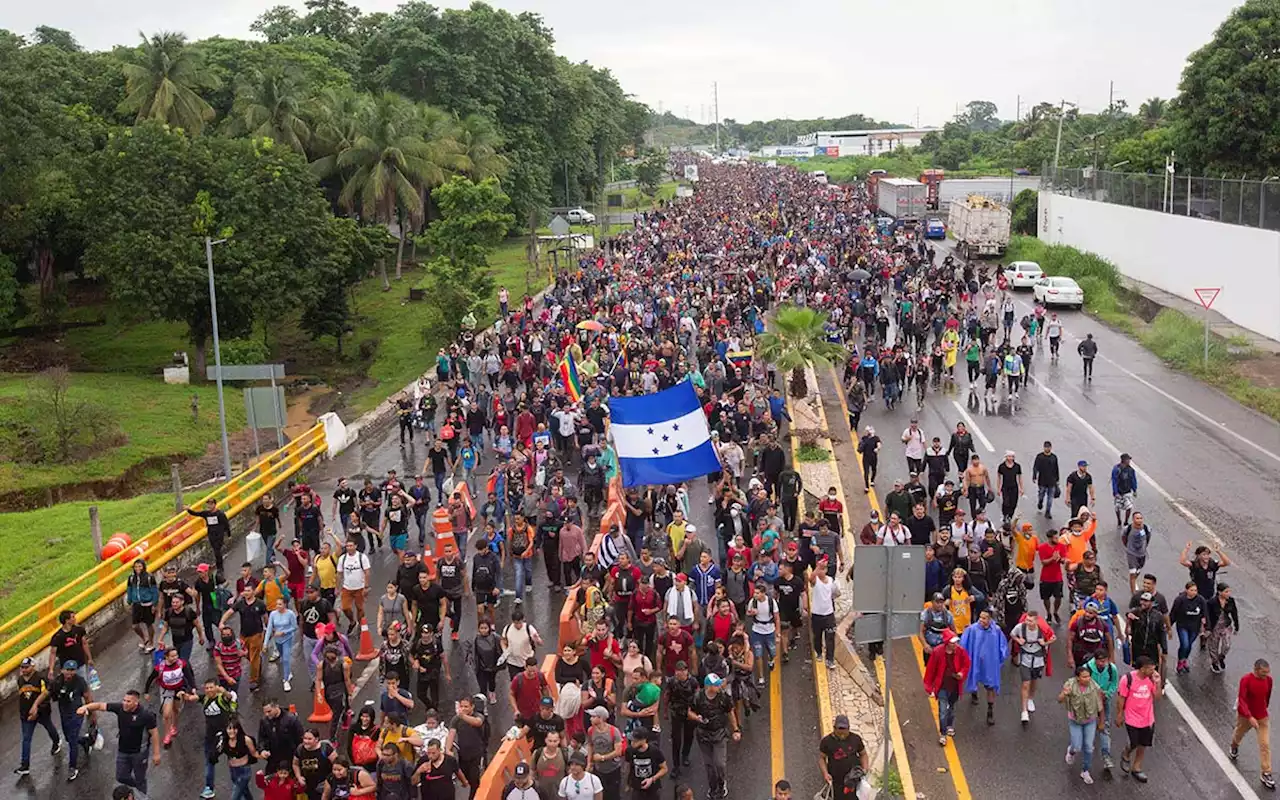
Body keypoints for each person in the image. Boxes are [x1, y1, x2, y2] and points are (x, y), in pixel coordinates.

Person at [76, 689, 161, 794]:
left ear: (136, 702)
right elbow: (99, 706)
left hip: (139, 753)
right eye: (124, 700)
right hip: (123, 750)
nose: (125, 703)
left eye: (128, 701)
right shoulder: (120, 708)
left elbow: (155, 733)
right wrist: (85, 707)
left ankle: (142, 794)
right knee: (120, 776)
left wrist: (156, 754)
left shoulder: (146, 715)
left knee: (140, 777)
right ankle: (137, 786)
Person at [689, 673, 739, 799]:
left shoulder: (723, 697)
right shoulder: (698, 697)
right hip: (703, 736)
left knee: (720, 764)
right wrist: (697, 718)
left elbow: (730, 712)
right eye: (716, 685)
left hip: (719, 735)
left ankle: (722, 784)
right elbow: (689, 712)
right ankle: (712, 787)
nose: (719, 687)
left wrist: (736, 729)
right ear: (708, 686)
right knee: (709, 765)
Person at [1116, 655, 1163, 783]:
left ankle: (1137, 767)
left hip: (1147, 719)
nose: (1153, 672)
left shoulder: (1152, 679)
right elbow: (1121, 698)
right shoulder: (1128, 679)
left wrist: (1158, 683)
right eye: (1150, 669)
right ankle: (1126, 754)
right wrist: (1120, 714)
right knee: (1134, 742)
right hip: (1132, 718)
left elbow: (1157, 697)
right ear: (1143, 669)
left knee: (1143, 744)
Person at [959, 609, 1009, 726]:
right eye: (980, 617)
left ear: (990, 619)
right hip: (975, 661)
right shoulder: (972, 629)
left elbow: (1003, 647)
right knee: (974, 678)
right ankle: (974, 692)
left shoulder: (996, 631)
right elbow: (963, 645)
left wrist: (999, 661)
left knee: (990, 686)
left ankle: (990, 711)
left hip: (990, 664)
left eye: (984, 618)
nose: (981, 620)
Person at [1230, 659, 1274, 790]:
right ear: (1255, 670)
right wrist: (1249, 717)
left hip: (1262, 717)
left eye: (1267, 673)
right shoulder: (1246, 680)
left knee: (1265, 744)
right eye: (1263, 673)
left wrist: (1264, 709)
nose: (1265, 676)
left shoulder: (1269, 680)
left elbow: (1268, 695)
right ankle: (1234, 745)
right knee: (1239, 733)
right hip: (1246, 716)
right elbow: (1242, 700)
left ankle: (1266, 772)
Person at [1058, 664, 1104, 785]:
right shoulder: (1070, 685)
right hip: (1075, 721)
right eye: (1084, 677)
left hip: (1090, 720)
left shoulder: (1094, 687)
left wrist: (1101, 721)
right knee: (1077, 746)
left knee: (1088, 747)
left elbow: (1100, 705)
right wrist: (1064, 693)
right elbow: (1060, 699)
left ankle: (1085, 770)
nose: (1087, 679)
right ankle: (1071, 751)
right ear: (1078, 678)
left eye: (1088, 676)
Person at [143, 647, 198, 748]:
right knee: (166, 714)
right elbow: (150, 679)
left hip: (179, 689)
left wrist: (193, 687)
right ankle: (167, 733)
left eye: (176, 655)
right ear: (166, 656)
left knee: (175, 710)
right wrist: (146, 692)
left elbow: (188, 676)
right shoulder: (160, 667)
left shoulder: (181, 664)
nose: (175, 658)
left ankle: (174, 726)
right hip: (166, 690)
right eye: (172, 656)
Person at [922, 629, 969, 746]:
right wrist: (929, 687)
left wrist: (962, 674)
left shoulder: (961, 652)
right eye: (953, 643)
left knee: (951, 708)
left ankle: (949, 725)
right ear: (947, 642)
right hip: (942, 686)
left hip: (954, 686)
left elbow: (966, 664)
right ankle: (943, 733)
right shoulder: (937, 652)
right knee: (943, 710)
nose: (956, 645)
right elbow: (931, 670)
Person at [14, 656, 58, 778]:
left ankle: (56, 742)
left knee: (49, 727)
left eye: (26, 667)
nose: (23, 670)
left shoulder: (41, 678)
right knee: (26, 739)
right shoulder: (20, 680)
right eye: (22, 667)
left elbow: (46, 694)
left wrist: (36, 709)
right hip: (26, 714)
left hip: (41, 712)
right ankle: (25, 765)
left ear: (33, 667)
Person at [1009, 609, 1054, 724]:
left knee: (1034, 681)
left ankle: (1030, 698)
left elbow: (1053, 637)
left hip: (1038, 659)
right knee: (1025, 683)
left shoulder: (1042, 629)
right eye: (1027, 620)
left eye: (1031, 621)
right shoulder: (1021, 627)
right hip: (1025, 658)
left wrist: (1045, 643)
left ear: (1036, 621)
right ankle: (1024, 711)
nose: (1028, 623)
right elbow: (1012, 634)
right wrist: (1019, 640)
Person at [819, 714, 868, 793]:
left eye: (844, 732)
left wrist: (865, 769)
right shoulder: (826, 741)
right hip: (836, 781)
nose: (842, 735)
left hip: (854, 779)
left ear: (848, 729)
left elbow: (863, 754)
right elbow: (822, 758)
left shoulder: (856, 739)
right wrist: (825, 773)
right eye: (839, 732)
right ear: (834, 729)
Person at [585, 706, 625, 800]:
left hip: (613, 769)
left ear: (600, 718)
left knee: (613, 794)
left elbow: (618, 752)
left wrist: (602, 757)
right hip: (598, 769)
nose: (590, 718)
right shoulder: (591, 730)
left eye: (593, 716)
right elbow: (590, 745)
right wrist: (589, 763)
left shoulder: (614, 731)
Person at [1170, 581, 1209, 674]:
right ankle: (1180, 662)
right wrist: (1169, 625)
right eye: (1191, 590)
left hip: (1195, 627)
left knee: (1189, 646)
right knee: (1185, 644)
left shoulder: (1200, 600)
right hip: (1183, 625)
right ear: (1186, 590)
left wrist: (1207, 626)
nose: (1194, 592)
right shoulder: (1180, 600)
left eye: (1195, 590)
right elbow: (1173, 613)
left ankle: (1185, 660)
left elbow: (1205, 613)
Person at [126, 560, 160, 653]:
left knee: (149, 624)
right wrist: (129, 601)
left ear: (144, 567)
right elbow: (129, 589)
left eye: (140, 566)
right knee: (135, 626)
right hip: (136, 604)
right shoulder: (131, 578)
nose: (137, 568)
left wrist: (154, 604)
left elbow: (154, 591)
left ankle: (151, 643)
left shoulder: (149, 577)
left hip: (147, 604)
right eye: (136, 566)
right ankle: (144, 638)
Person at [625, 728, 668, 800]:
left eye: (635, 741)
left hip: (653, 788)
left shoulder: (654, 751)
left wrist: (652, 779)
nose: (632, 743)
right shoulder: (629, 751)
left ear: (644, 740)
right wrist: (628, 783)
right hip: (637, 787)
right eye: (632, 740)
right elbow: (628, 767)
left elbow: (664, 768)